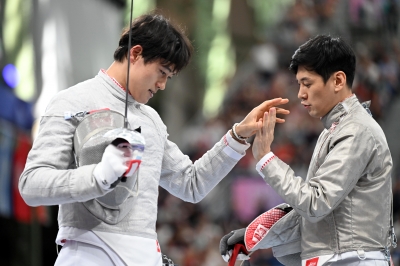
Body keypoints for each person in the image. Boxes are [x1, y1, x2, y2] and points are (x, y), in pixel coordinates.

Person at [18, 12, 290, 266]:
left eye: (169, 77)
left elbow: (191, 184)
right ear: (136, 53)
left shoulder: (152, 121)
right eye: (162, 72)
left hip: (144, 255)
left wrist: (237, 136)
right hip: (88, 252)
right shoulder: (71, 101)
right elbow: (32, 184)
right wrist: (99, 176)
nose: (162, 85)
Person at [221, 35, 396, 265]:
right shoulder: (334, 131)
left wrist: (266, 159)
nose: (301, 94)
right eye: (299, 84)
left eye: (307, 83)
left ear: (338, 81)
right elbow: (313, 211)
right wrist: (253, 236)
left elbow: (315, 203)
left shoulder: (357, 130)